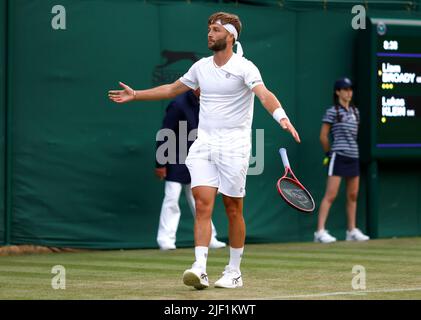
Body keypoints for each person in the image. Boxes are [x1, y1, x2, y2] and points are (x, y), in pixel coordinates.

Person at [109, 11, 300, 289]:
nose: (210, 34)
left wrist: (281, 116)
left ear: (231, 36)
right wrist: (136, 94)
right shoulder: (200, 67)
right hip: (203, 146)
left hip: (234, 147)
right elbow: (172, 88)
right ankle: (200, 268)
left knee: (233, 208)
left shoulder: (246, 67)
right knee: (201, 204)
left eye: (216, 30)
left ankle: (234, 271)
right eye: (209, 29)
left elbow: (264, 94)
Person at [155, 89, 226, 250]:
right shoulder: (178, 104)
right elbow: (165, 132)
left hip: (199, 158)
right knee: (171, 198)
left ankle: (209, 237)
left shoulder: (209, 102)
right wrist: (160, 163)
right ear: (194, 86)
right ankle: (166, 240)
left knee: (200, 201)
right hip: (175, 159)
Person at [314, 77, 370, 244]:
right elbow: (323, 137)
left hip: (354, 156)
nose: (349, 92)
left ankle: (351, 230)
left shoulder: (355, 112)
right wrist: (329, 153)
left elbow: (354, 135)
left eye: (350, 89)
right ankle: (320, 231)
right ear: (338, 92)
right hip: (338, 156)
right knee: (331, 195)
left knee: (353, 195)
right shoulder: (332, 111)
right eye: (345, 89)